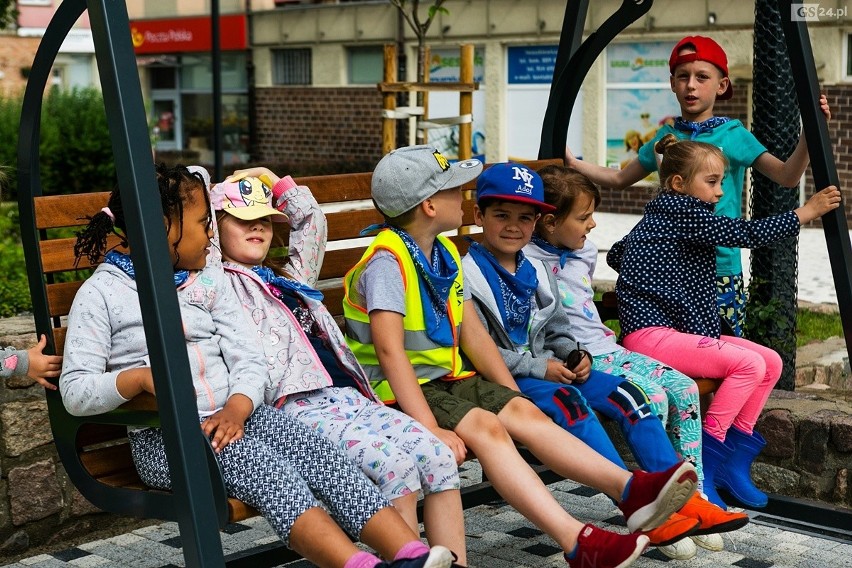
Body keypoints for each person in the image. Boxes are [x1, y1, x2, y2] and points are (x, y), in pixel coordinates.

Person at [58, 163, 456, 568]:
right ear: (164, 227)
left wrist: (239, 405)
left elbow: (248, 358)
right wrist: (135, 379)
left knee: (321, 456)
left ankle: (410, 555)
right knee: (272, 474)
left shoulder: (205, 282)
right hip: (167, 440)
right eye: (203, 223)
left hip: (240, 416)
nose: (210, 234)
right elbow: (75, 390)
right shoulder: (103, 295)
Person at [343, 145, 699, 568]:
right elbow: (388, 352)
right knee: (487, 427)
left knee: (523, 413)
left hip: (447, 378)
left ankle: (630, 490)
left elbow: (472, 334)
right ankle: (579, 540)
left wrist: (514, 397)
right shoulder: (387, 261)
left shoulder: (442, 255)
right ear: (430, 205)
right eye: (456, 189)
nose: (465, 195)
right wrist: (426, 427)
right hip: (398, 391)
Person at [211, 167, 467, 564]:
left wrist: (268, 176)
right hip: (293, 407)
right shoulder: (216, 284)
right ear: (215, 228)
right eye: (243, 220)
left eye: (263, 219)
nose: (258, 227)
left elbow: (312, 223)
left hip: (347, 396)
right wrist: (216, 196)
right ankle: (406, 561)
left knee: (437, 455)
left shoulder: (288, 278)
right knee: (395, 465)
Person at [521, 163, 749, 558]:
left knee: (682, 388)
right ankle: (652, 510)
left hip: (607, 349)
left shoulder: (583, 251)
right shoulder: (524, 261)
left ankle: (691, 499)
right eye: (584, 217)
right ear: (550, 222)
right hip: (572, 362)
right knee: (653, 398)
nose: (593, 225)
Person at [606, 135, 841, 510]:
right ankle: (707, 463)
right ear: (679, 184)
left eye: (721, 182)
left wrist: (664, 273)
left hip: (673, 332)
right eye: (711, 182)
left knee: (771, 362)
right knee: (747, 364)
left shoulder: (663, 215)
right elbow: (746, 235)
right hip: (651, 336)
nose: (719, 192)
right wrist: (805, 213)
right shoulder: (684, 211)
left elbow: (617, 254)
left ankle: (733, 463)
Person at [565, 35, 832, 337]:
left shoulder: (733, 135)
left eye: (702, 77)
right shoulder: (665, 136)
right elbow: (618, 179)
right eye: (683, 76)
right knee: (678, 350)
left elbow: (786, 175)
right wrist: (574, 165)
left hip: (720, 270)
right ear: (672, 83)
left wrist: (809, 137)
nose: (691, 85)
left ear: (721, 85)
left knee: (723, 347)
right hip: (671, 272)